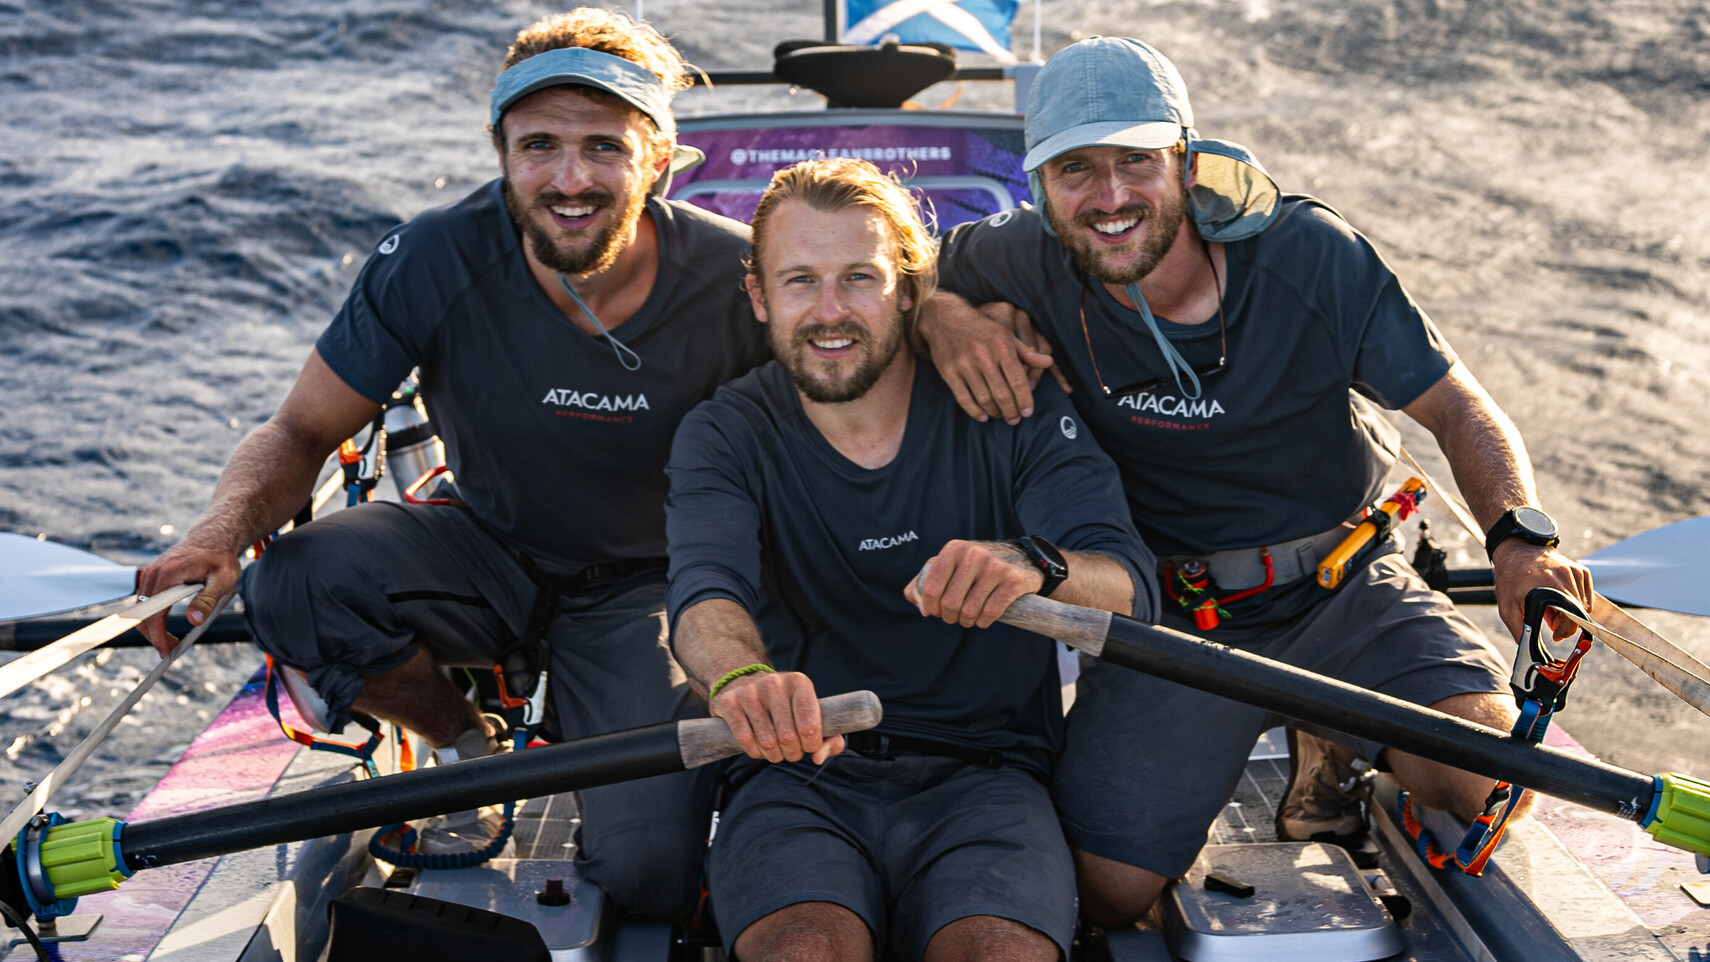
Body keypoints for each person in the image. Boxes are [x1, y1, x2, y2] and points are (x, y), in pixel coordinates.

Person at [918, 36, 1595, 924]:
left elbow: (1457, 407)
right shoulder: (1017, 254)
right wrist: (941, 312)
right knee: (1104, 896)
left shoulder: (1310, 253)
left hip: (1343, 587)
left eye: (1136, 160)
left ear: (1187, 161)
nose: (1109, 196)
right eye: (1075, 168)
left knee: (1494, 784)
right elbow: (903, 270)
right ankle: (1327, 736)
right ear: (1040, 186)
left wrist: (1519, 539)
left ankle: (1347, 742)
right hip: (1174, 621)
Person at [133, 8, 768, 920]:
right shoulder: (433, 255)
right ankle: (465, 748)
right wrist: (216, 533)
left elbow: (866, 360)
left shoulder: (735, 277)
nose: (570, 179)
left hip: (650, 591)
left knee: (648, 880)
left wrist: (944, 309)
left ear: (659, 158)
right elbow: (301, 430)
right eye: (539, 146)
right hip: (487, 550)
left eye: (604, 147)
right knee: (298, 580)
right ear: (500, 152)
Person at [664, 158, 1156, 961]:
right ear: (758, 296)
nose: (829, 312)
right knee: (802, 951)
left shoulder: (1008, 400)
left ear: (907, 289)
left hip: (988, 777)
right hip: (795, 773)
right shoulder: (723, 433)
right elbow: (704, 594)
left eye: (859, 278)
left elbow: (1131, 589)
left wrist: (1035, 564)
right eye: (800, 281)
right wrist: (739, 679)